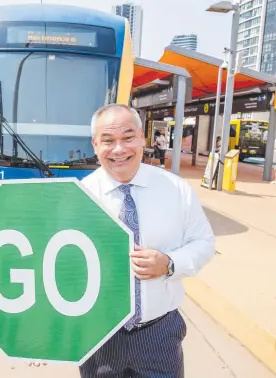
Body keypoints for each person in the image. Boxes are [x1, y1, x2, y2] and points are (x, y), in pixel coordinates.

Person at [77, 104, 215, 378]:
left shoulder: (176, 190)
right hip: (98, 336)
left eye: (128, 138)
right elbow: (61, 270)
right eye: (108, 140)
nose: (119, 149)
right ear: (95, 145)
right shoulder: (78, 197)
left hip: (159, 335)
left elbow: (204, 242)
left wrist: (170, 263)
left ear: (142, 138)